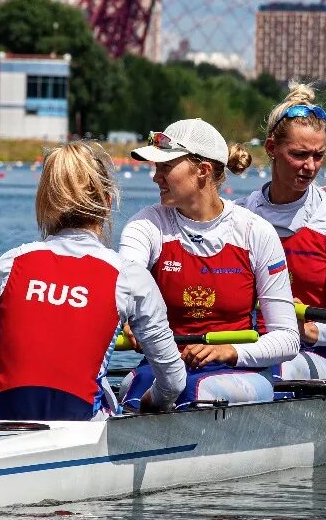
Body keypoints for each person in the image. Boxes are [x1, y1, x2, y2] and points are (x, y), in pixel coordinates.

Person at [0, 141, 186, 420]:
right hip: (84, 428)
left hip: (4, 423)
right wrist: (151, 406)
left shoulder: (10, 264)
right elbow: (174, 381)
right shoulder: (130, 277)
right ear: (108, 202)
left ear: (46, 202)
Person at [119, 118, 299, 409]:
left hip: (235, 370)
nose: (156, 177)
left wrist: (228, 351)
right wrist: (128, 314)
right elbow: (128, 278)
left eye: (166, 167)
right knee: (131, 386)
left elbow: (288, 339)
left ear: (202, 171)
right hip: (164, 365)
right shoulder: (146, 225)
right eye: (156, 168)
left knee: (195, 391)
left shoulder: (255, 232)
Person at [241, 85, 326, 380]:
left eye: (318, 155)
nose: (310, 167)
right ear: (271, 148)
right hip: (252, 348)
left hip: (320, 354)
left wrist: (302, 328)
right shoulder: (241, 214)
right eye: (299, 154)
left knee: (278, 367)